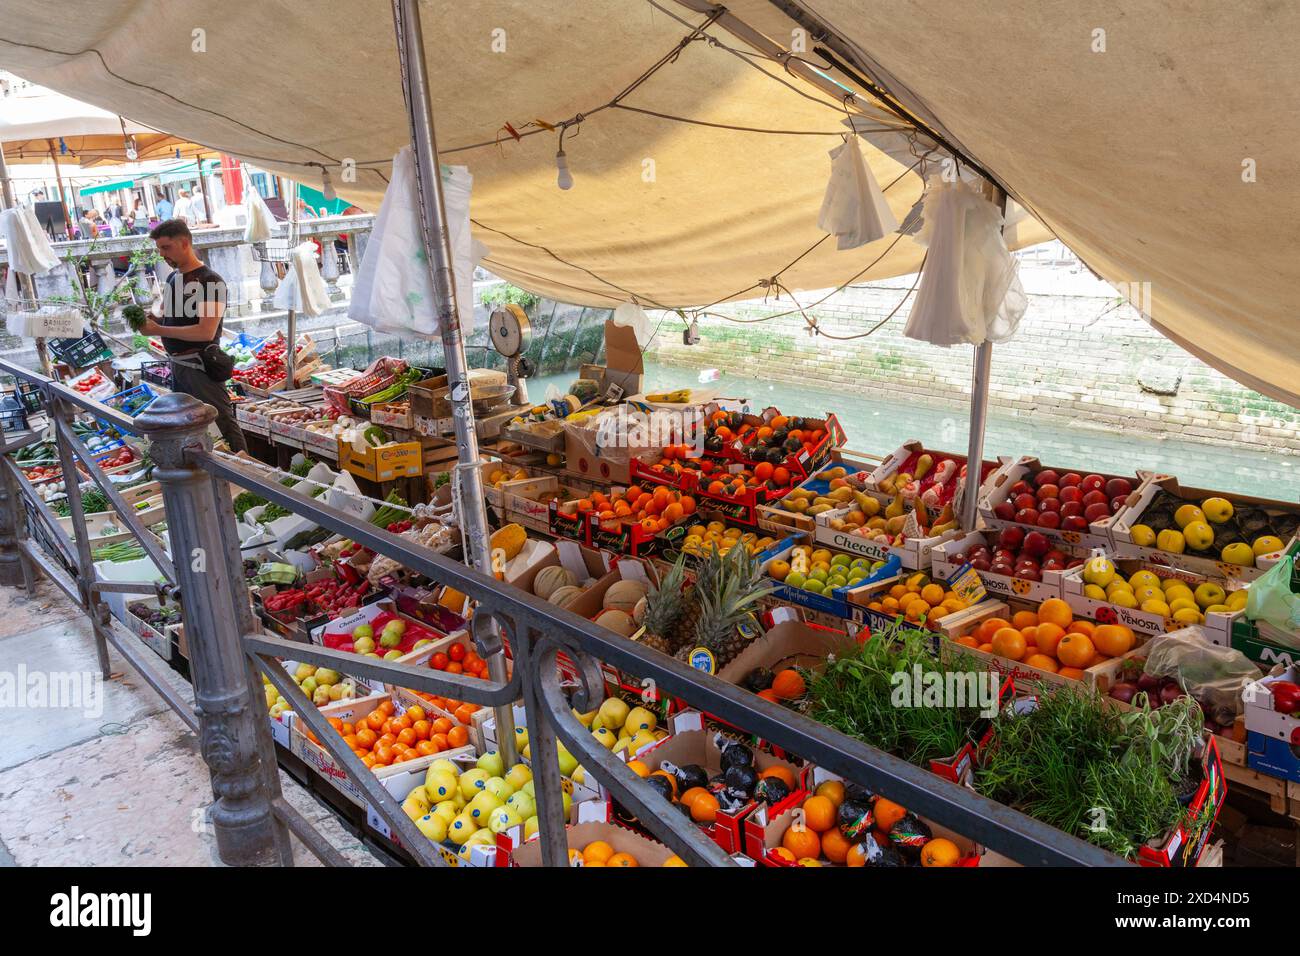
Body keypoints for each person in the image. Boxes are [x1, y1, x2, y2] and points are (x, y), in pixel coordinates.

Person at [138, 219, 247, 452]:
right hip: (178, 367)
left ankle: (249, 475)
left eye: (166, 248)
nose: (162, 255)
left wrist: (158, 330)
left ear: (185, 243)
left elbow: (205, 331)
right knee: (190, 426)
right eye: (159, 250)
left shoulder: (210, 281)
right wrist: (152, 321)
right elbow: (171, 318)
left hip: (201, 368)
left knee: (222, 423)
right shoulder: (172, 278)